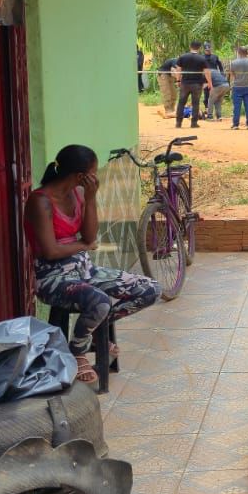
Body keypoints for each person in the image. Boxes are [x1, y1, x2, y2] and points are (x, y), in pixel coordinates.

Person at [25, 145, 158, 385]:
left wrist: (90, 198)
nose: (96, 178)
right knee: (99, 302)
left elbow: (89, 234)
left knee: (149, 289)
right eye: (93, 173)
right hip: (53, 279)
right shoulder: (40, 201)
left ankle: (95, 330)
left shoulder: (78, 195)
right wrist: (83, 247)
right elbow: (51, 251)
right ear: (80, 176)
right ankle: (77, 351)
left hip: (86, 272)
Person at [173, 40, 209, 127]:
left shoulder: (183, 57)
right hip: (197, 84)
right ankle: (194, 123)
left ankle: (178, 123)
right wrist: (209, 82)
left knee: (181, 102)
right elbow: (207, 72)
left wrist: (178, 80)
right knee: (195, 103)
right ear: (199, 48)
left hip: (185, 83)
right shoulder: (202, 58)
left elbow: (178, 69)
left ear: (190, 47)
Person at [230, 44, 248, 129]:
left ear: (239, 52)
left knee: (237, 106)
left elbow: (232, 74)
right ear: (247, 53)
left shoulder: (234, 62)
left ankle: (235, 124)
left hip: (237, 86)